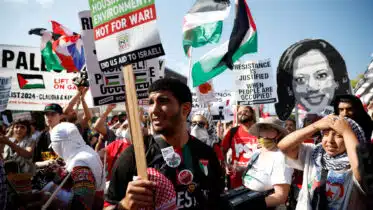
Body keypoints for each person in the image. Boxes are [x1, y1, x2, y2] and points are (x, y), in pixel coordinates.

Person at [104, 78, 223, 210]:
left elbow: (217, 201)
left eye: (163, 101)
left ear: (185, 109)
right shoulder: (135, 155)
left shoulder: (206, 154)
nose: (153, 110)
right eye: (150, 102)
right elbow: (108, 205)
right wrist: (124, 205)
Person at [278, 115, 370, 209]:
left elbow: (360, 170)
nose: (330, 141)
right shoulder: (313, 152)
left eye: (339, 136)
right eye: (325, 134)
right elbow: (284, 146)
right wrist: (315, 126)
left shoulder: (354, 163)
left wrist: (346, 131)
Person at [275, 39, 351, 120]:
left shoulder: (351, 124)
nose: (312, 87)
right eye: (300, 80)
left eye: (321, 75)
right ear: (290, 88)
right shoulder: (296, 127)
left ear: (336, 80)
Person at [43, 122, 105, 210]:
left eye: (55, 145)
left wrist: (55, 202)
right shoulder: (86, 151)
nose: (55, 150)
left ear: (62, 144)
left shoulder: (80, 163)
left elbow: (83, 204)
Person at [242, 117, 293, 208]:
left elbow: (280, 196)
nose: (264, 134)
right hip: (246, 197)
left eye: (269, 129)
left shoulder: (281, 158)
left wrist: (252, 205)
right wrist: (239, 169)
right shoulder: (257, 152)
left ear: (279, 134)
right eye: (262, 129)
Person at [221, 105, 258, 189]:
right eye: (239, 113)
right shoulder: (233, 132)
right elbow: (222, 150)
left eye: (245, 111)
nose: (242, 113)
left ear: (252, 114)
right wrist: (226, 164)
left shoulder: (261, 131)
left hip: (258, 179)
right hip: (236, 181)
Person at [33, 103, 63, 168]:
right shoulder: (41, 137)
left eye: (52, 114)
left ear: (60, 116)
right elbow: (35, 163)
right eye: (46, 114)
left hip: (66, 175)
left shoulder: (68, 134)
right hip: (47, 176)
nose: (49, 117)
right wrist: (46, 163)